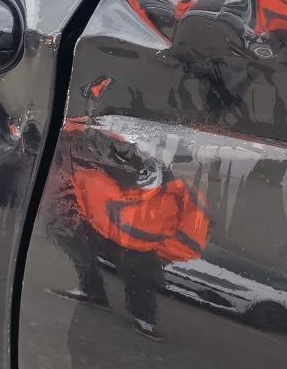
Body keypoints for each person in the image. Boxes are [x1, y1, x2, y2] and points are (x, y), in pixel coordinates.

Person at [48, 119, 209, 340]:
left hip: (137, 238)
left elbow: (185, 226)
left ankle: (144, 318)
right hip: (110, 224)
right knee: (70, 235)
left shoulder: (171, 193)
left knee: (137, 269)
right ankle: (93, 291)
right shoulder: (95, 158)